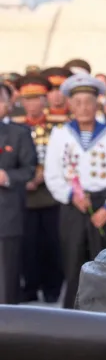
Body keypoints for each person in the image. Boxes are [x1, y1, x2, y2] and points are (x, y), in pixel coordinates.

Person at [43, 75, 106, 308]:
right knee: (73, 261)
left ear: (97, 104)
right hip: (73, 204)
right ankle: (72, 312)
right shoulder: (61, 134)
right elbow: (52, 173)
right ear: (70, 104)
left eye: (88, 102)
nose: (83, 108)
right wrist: (70, 196)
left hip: (102, 204)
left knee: (102, 261)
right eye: (77, 102)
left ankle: (103, 311)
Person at [13, 73, 65, 303]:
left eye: (37, 98)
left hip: (51, 194)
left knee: (52, 242)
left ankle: (52, 287)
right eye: (28, 99)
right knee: (27, 245)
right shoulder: (14, 127)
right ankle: (30, 286)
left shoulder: (58, 126)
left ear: (45, 100)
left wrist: (41, 176)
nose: (32, 104)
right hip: (23, 195)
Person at [0, 82, 36, 304]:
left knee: (6, 279)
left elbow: (29, 169)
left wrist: (7, 177)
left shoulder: (19, 133)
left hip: (6, 216)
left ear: (8, 104)